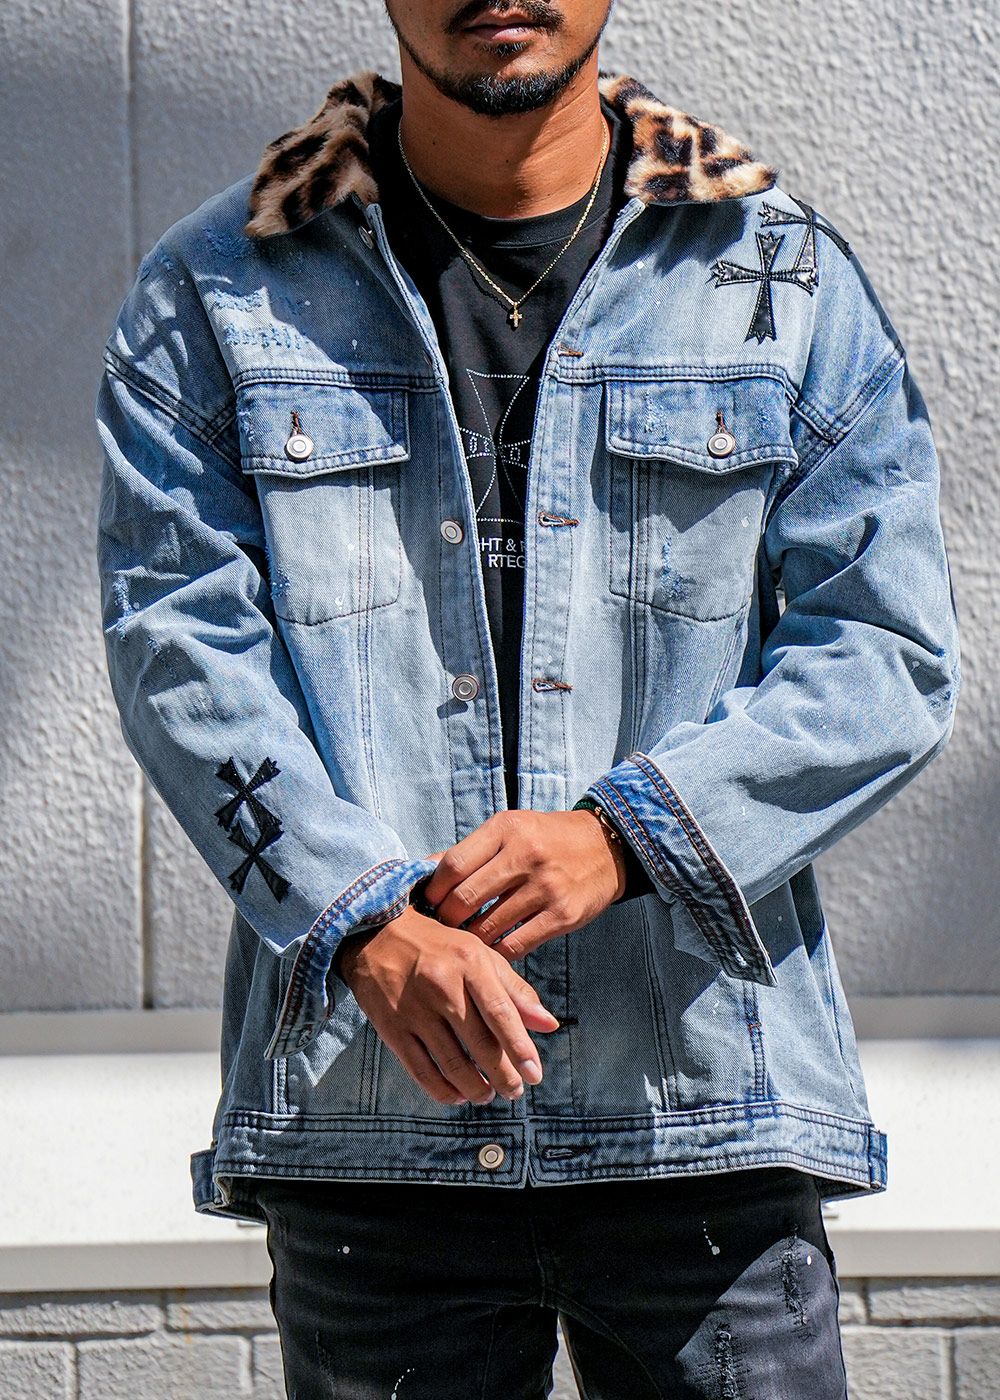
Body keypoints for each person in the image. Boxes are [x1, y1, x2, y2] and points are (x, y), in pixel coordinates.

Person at [94, 0, 961, 1395]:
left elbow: (887, 650)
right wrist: (364, 923)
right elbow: (178, 651)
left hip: (702, 1119)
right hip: (373, 1122)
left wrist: (628, 836)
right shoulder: (223, 291)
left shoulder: (777, 274)